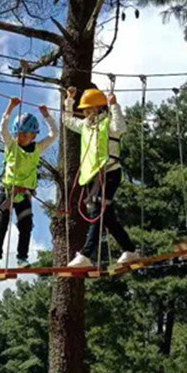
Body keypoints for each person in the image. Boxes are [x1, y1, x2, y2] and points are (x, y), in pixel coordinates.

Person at [64, 86, 139, 268]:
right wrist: (69, 100)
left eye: (90, 109)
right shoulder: (85, 126)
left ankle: (86, 254)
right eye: (85, 110)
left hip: (110, 172)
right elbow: (67, 120)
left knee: (97, 212)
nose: (87, 113)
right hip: (93, 177)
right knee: (107, 218)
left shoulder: (109, 124)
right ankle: (130, 250)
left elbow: (120, 127)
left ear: (99, 108)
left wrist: (114, 105)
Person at [0, 97, 58, 269]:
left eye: (26, 134)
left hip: (25, 193)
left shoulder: (37, 149)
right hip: (7, 191)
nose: (22, 137)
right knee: (1, 225)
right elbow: (2, 128)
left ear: (34, 135)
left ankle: (22, 258)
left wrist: (47, 116)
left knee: (25, 226)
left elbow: (54, 135)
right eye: (19, 134)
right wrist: (10, 107)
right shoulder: (11, 146)